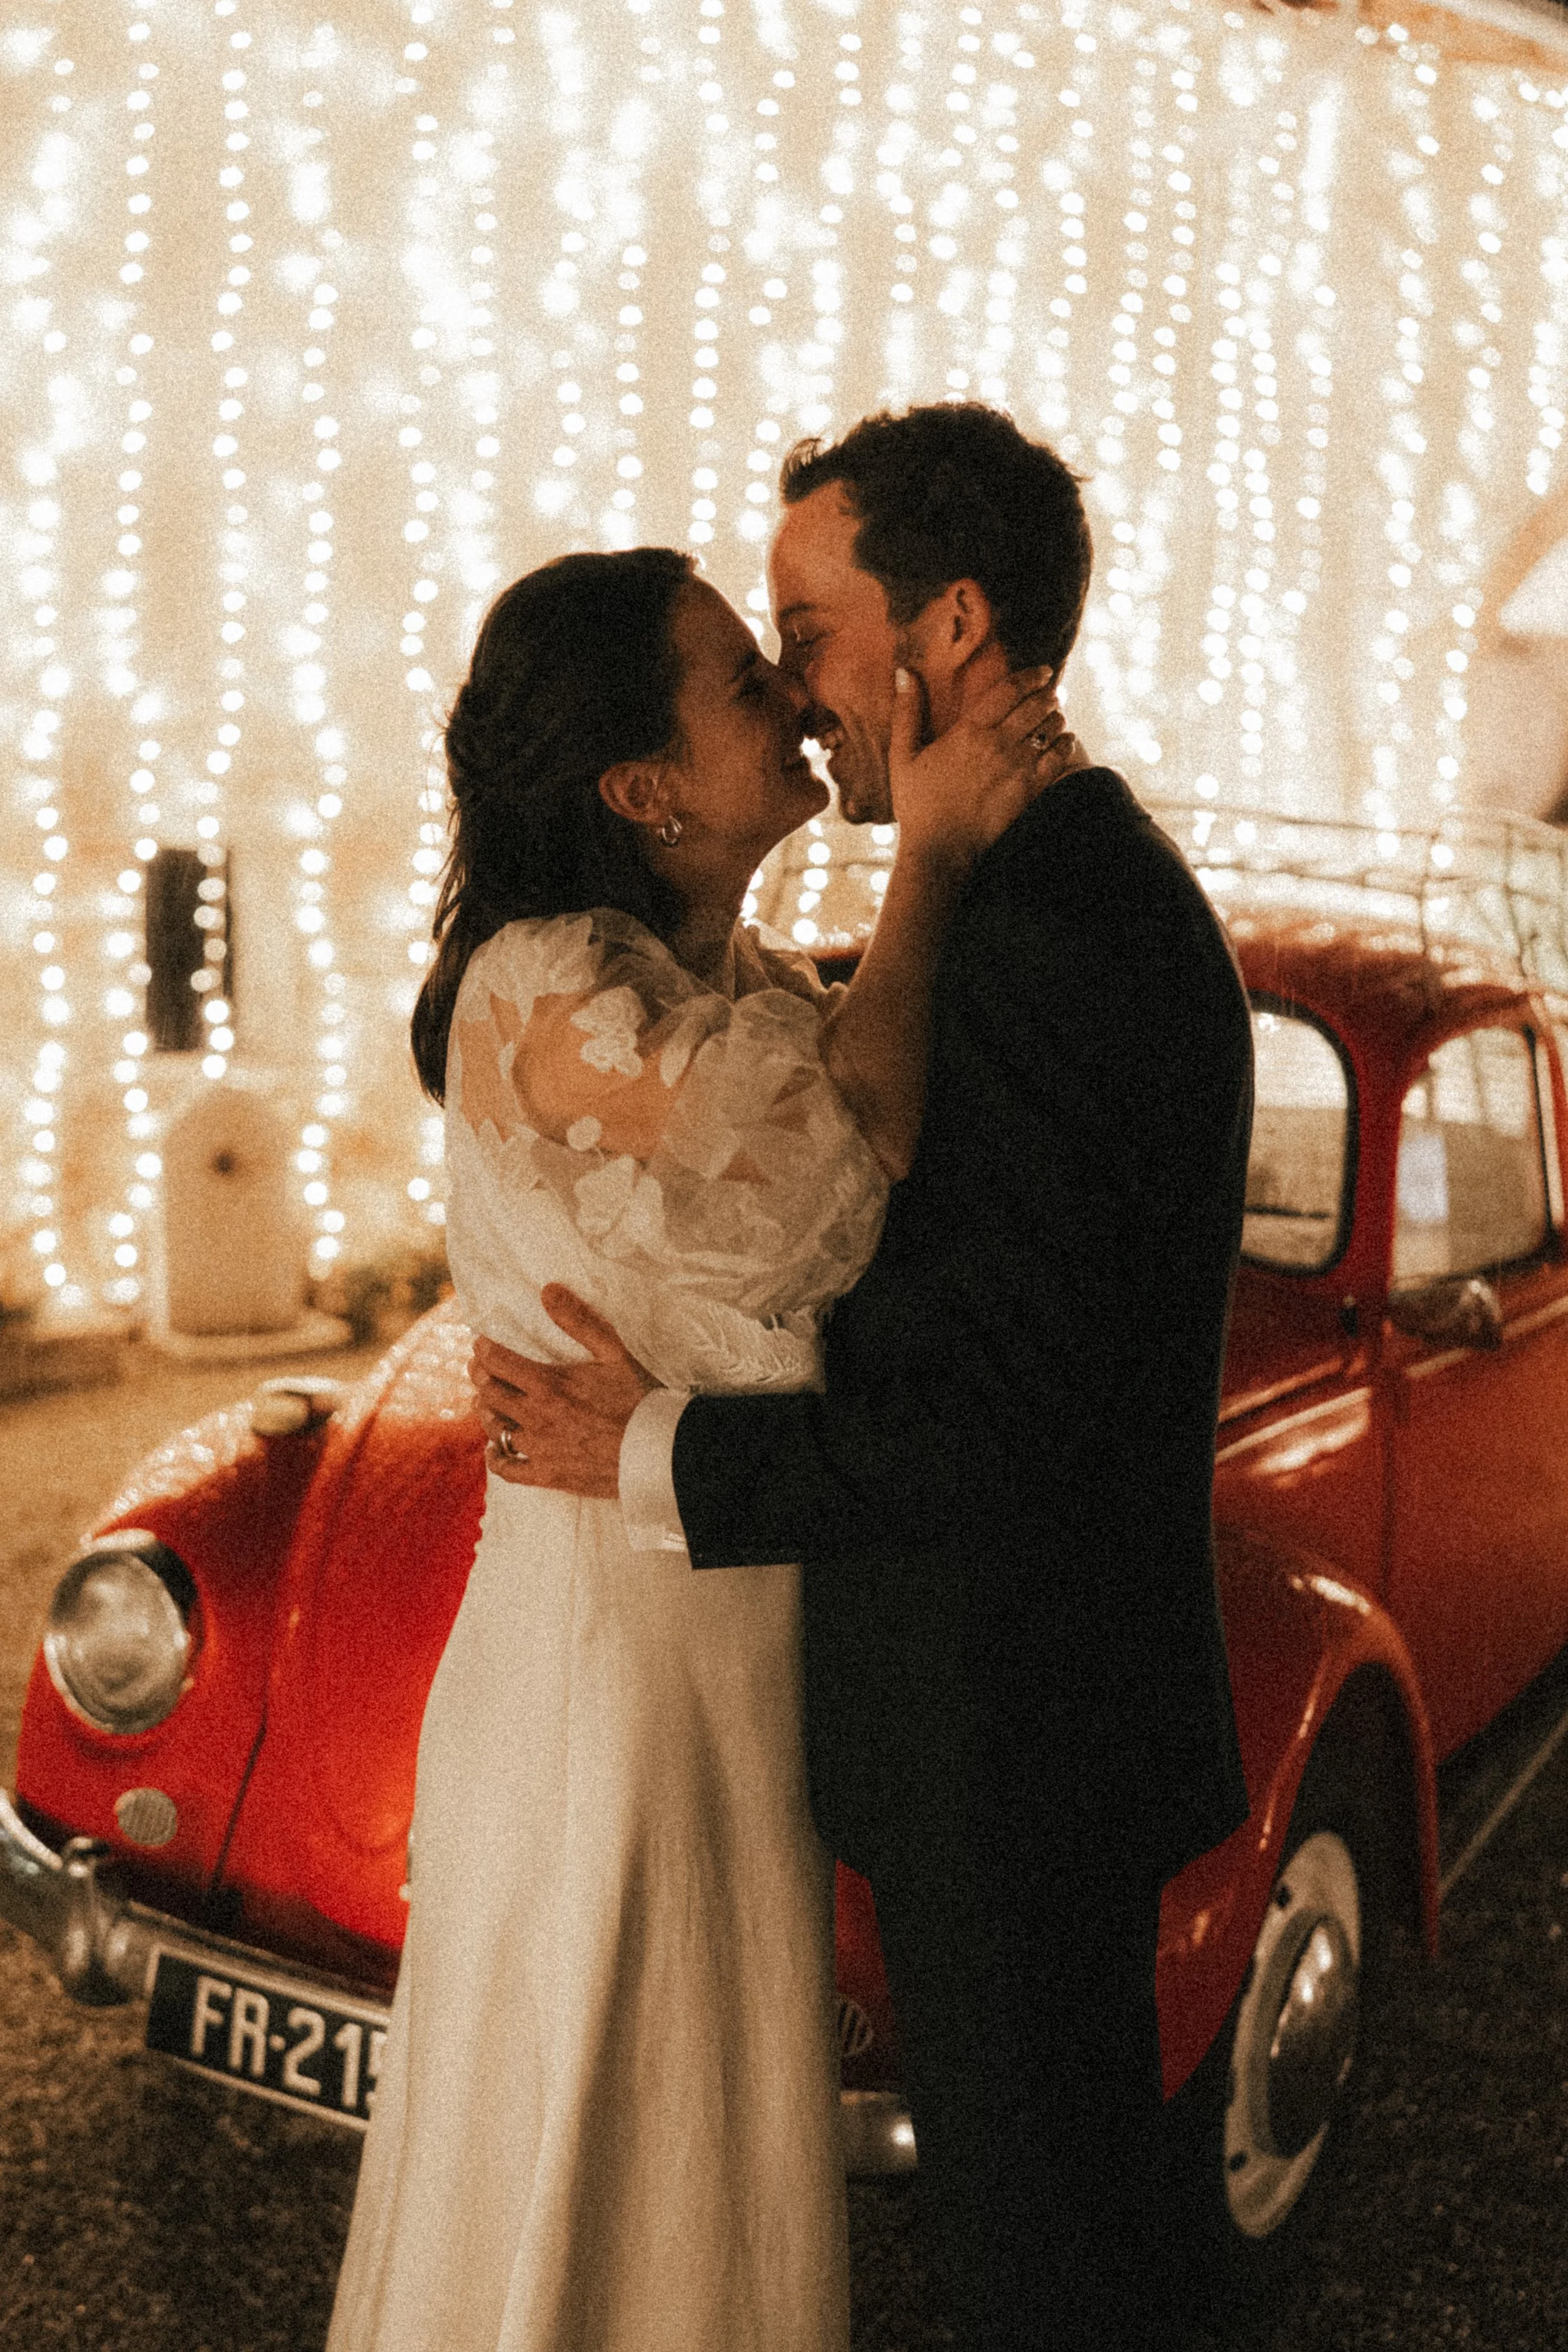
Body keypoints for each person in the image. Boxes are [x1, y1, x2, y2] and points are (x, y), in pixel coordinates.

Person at [472, 403, 1256, 2352]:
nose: (802, 697)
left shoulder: (1057, 930)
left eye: (810, 634)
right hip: (965, 1723)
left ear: (954, 628)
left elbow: (1003, 1415)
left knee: (1047, 2268)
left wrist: (653, 1446)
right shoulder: (990, 898)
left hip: (1017, 1737)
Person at [326, 539, 1072, 2352]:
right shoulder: (539, 984)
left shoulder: (731, 978)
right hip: (604, 1672)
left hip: (734, 1652)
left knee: (710, 2150)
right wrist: (936, 860)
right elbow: (832, 1182)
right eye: (751, 678)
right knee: (585, 2116)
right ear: (644, 786)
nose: (797, 696)